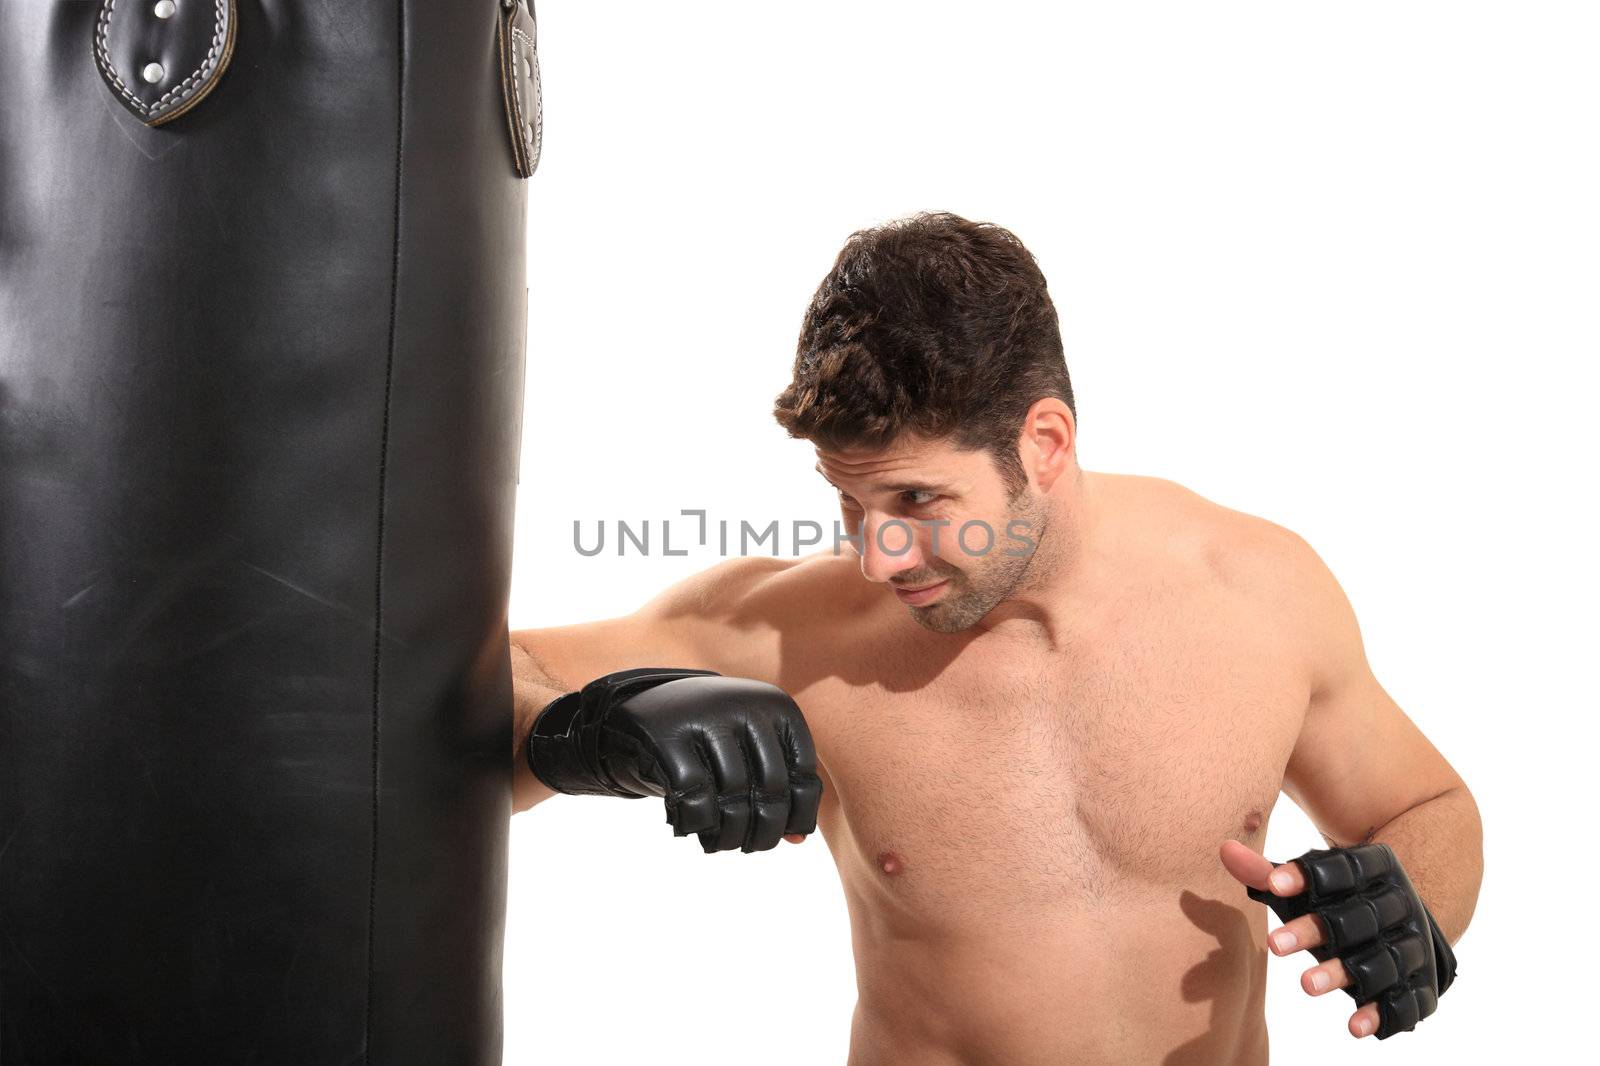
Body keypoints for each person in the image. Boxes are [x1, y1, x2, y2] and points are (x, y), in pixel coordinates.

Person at [510, 212, 1481, 1065]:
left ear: (1044, 443)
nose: (877, 556)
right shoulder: (799, 635)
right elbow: (473, 682)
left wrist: (1416, 907)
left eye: (917, 501)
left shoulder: (1256, 589)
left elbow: (1424, 801)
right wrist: (600, 725)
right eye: (849, 502)